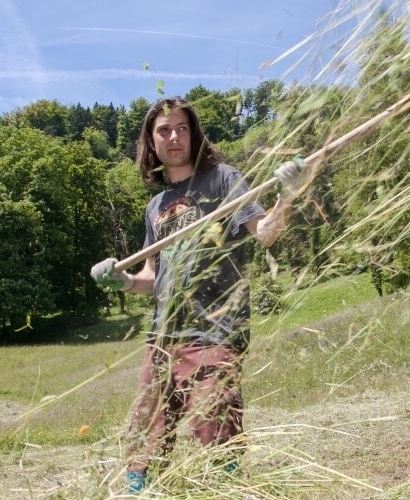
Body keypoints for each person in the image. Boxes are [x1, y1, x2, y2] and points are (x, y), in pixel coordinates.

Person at [89, 96, 309, 494]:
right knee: (147, 433)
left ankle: (227, 490)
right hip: (162, 336)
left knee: (216, 429)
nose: (174, 136)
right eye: (164, 130)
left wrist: (287, 195)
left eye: (182, 128)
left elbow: (265, 232)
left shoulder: (224, 179)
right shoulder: (155, 206)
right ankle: (139, 492)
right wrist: (121, 281)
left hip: (216, 330)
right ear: (150, 142)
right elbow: (152, 277)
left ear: (194, 135)